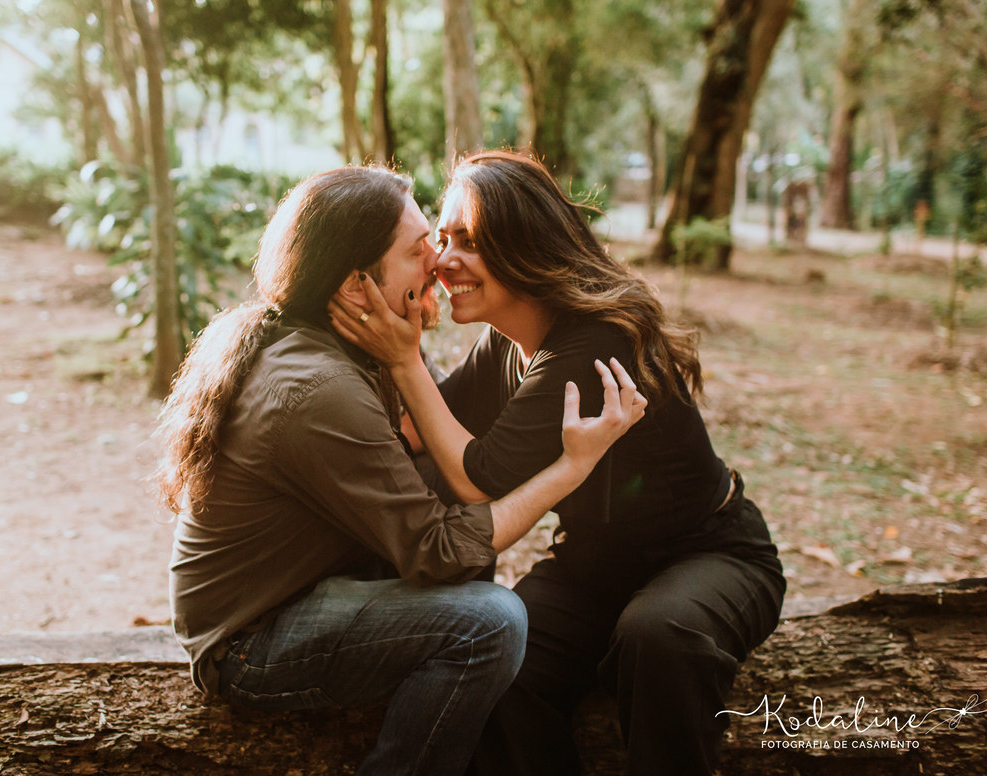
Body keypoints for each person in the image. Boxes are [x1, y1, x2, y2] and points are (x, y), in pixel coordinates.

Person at [156, 165, 647, 776]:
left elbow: (448, 454)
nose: (438, 264)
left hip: (325, 586)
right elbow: (441, 549)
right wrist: (573, 466)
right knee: (490, 624)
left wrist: (415, 356)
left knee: (455, 507)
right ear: (357, 286)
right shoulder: (317, 388)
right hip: (253, 641)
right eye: (421, 250)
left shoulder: (356, 347)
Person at [329, 151, 787, 776]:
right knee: (500, 661)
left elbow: (472, 475)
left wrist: (407, 360)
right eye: (441, 239)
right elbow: (417, 431)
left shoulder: (596, 341)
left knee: (657, 635)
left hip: (713, 555)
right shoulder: (509, 342)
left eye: (467, 240)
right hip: (592, 568)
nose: (443, 260)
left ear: (523, 246)